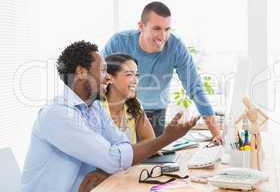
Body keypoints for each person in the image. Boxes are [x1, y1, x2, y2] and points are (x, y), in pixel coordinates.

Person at [21, 41, 200, 192]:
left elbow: (122, 144)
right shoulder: (58, 114)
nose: (107, 78)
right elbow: (114, 158)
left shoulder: (94, 107)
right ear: (81, 72)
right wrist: (167, 138)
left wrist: (105, 168)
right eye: (103, 71)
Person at [102, 1, 222, 143]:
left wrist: (216, 134)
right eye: (157, 29)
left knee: (152, 161)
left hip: (155, 114)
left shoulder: (176, 47)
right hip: (119, 111)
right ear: (141, 26)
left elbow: (195, 89)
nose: (163, 36)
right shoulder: (119, 42)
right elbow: (98, 76)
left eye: (167, 29)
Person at [100, 53, 155, 143]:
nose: (135, 80)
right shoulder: (96, 107)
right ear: (109, 78)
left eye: (136, 75)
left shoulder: (134, 105)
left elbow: (150, 140)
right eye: (129, 75)